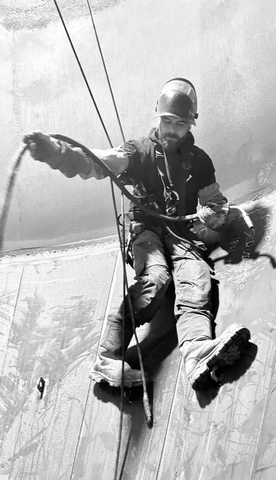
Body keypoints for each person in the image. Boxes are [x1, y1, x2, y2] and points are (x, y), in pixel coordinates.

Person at [23, 78, 251, 391]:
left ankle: (196, 352)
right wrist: (59, 154)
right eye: (167, 121)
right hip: (147, 231)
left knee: (196, 275)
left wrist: (217, 213)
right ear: (158, 119)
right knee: (155, 279)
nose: (172, 129)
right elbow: (105, 161)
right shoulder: (140, 150)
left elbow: (213, 199)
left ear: (191, 124)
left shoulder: (199, 160)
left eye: (180, 124)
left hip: (182, 235)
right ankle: (107, 357)